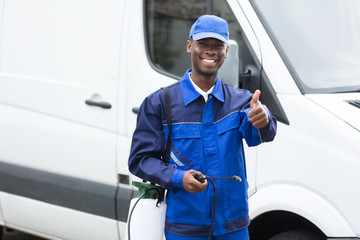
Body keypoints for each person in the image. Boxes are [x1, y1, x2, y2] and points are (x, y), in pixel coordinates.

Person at [128, 15, 277, 240]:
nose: (211, 51)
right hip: (184, 228)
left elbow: (261, 133)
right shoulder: (160, 103)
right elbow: (140, 160)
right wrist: (178, 177)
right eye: (203, 44)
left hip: (233, 228)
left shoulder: (241, 102)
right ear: (190, 46)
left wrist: (263, 119)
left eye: (218, 45)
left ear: (227, 51)